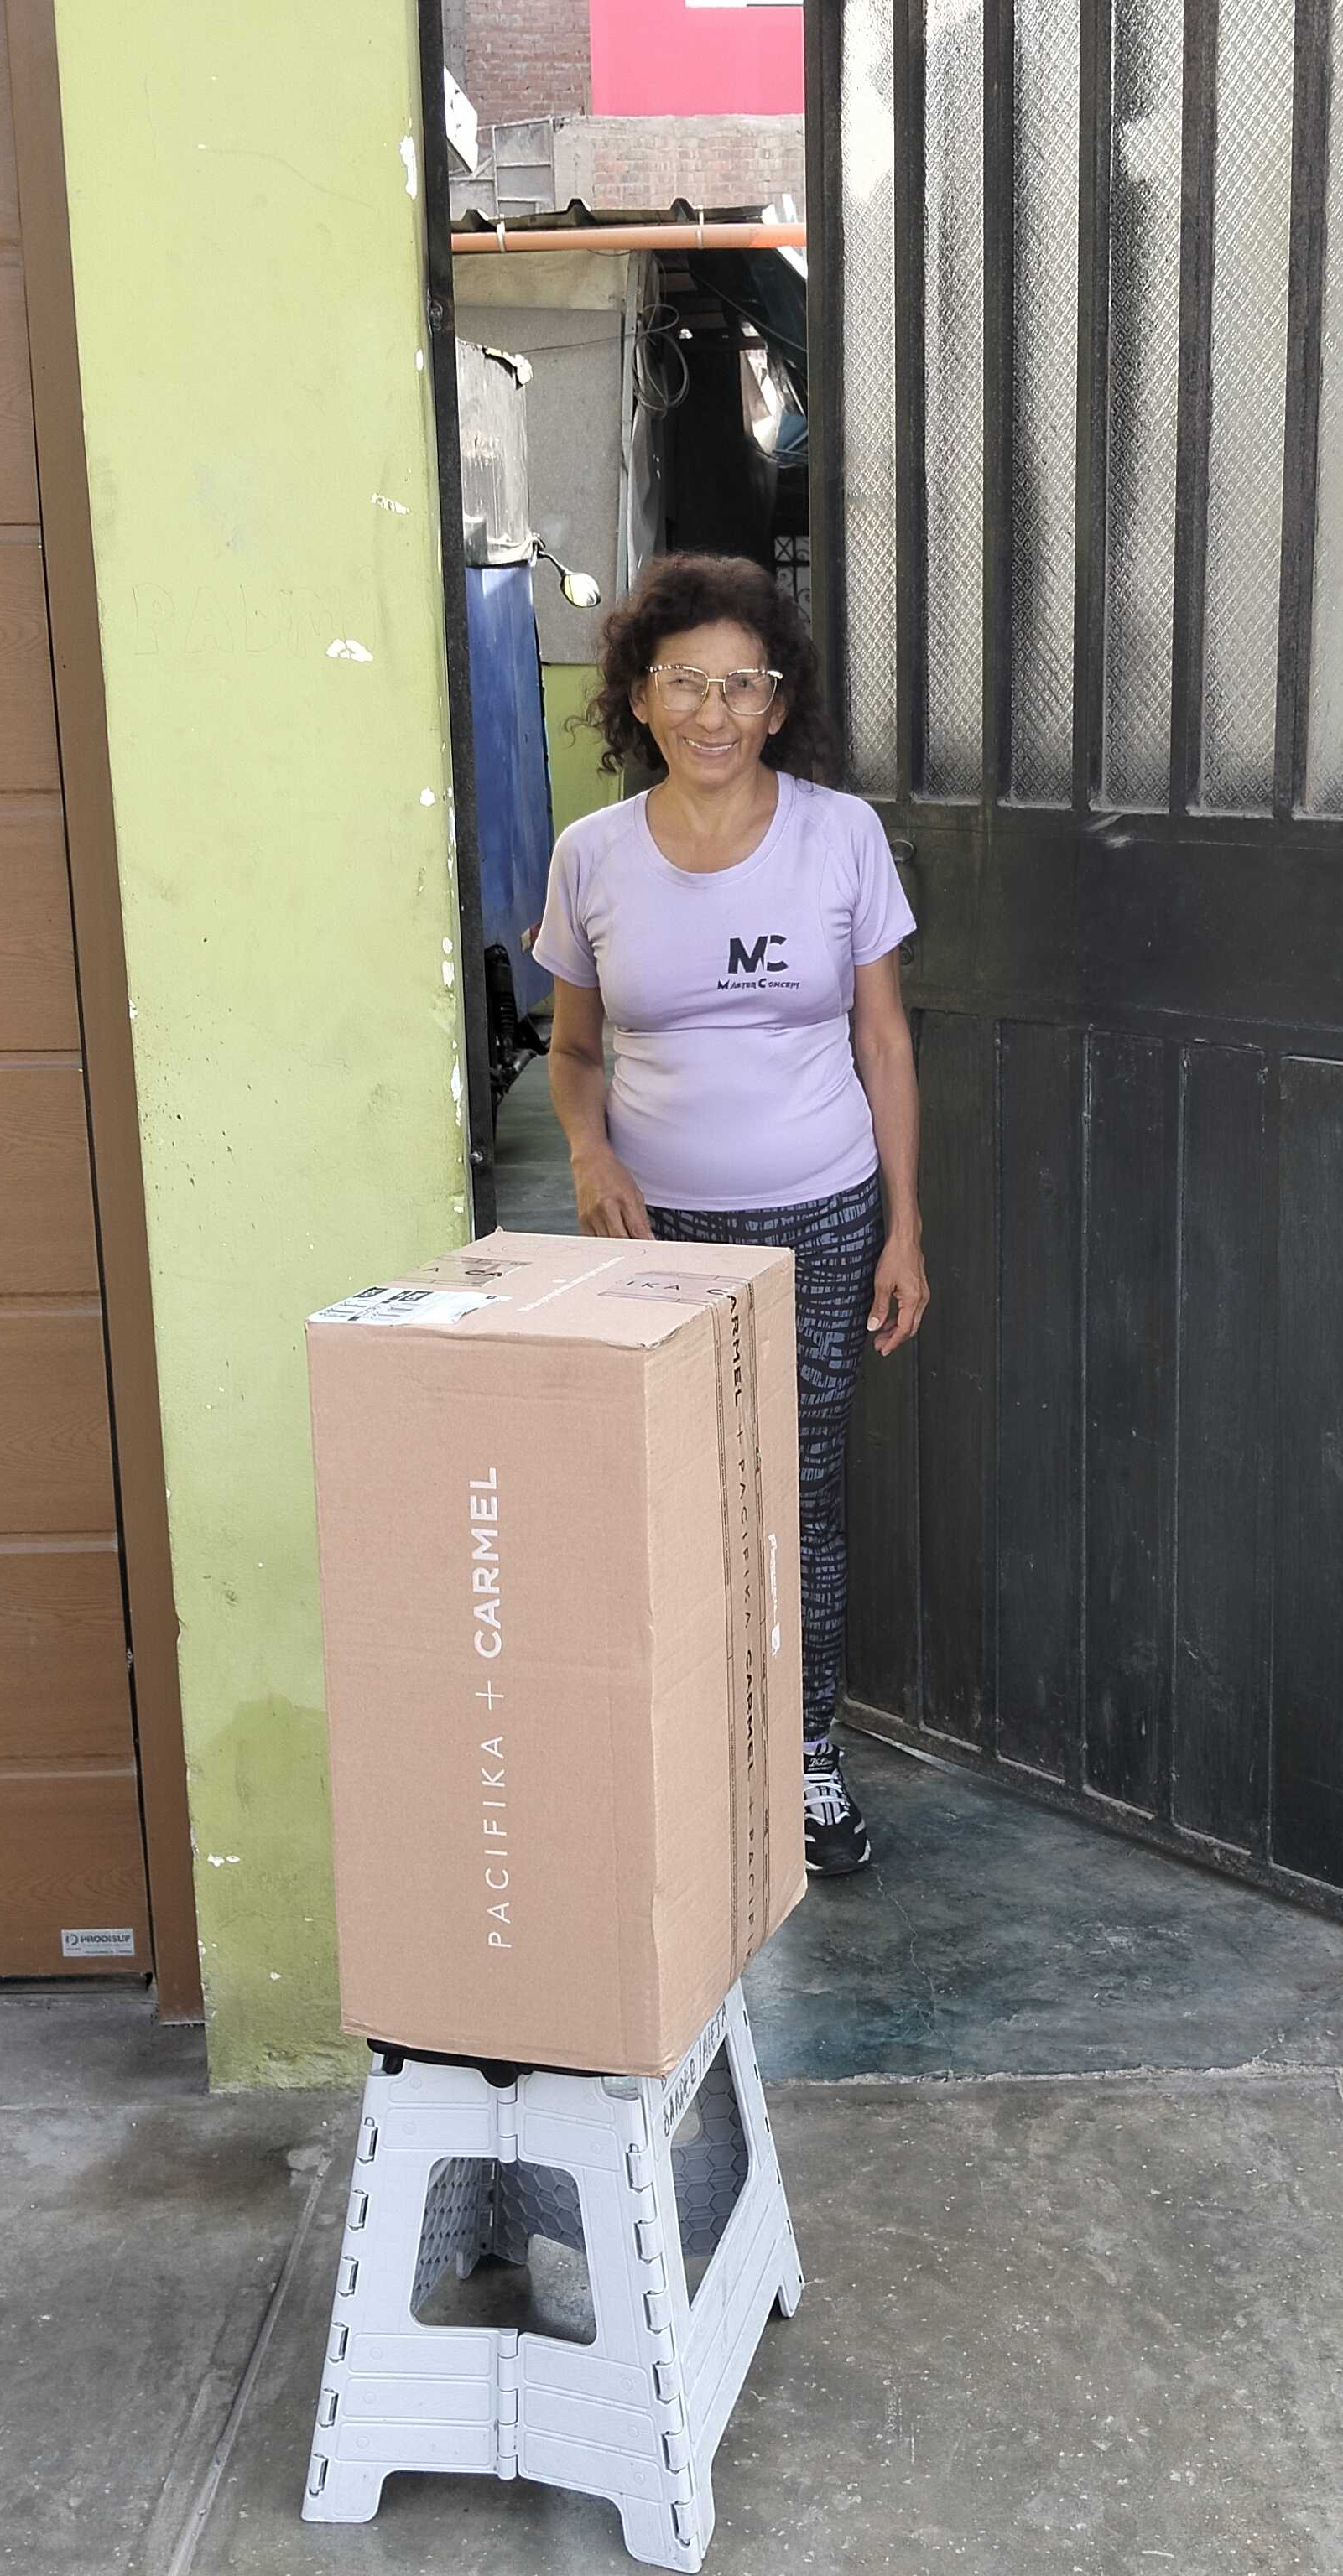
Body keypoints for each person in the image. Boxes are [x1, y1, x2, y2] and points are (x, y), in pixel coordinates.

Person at [533, 553, 927, 1877]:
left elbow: (884, 1038)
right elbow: (572, 1053)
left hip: (820, 1216)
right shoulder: (592, 857)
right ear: (639, 698)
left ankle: (805, 1758)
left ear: (779, 701)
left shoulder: (840, 835)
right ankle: (684, 1756)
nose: (714, 712)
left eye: (742, 685)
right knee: (661, 1491)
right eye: (686, 684)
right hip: (654, 1238)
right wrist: (588, 1153)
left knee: (798, 1497)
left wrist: (905, 1225)